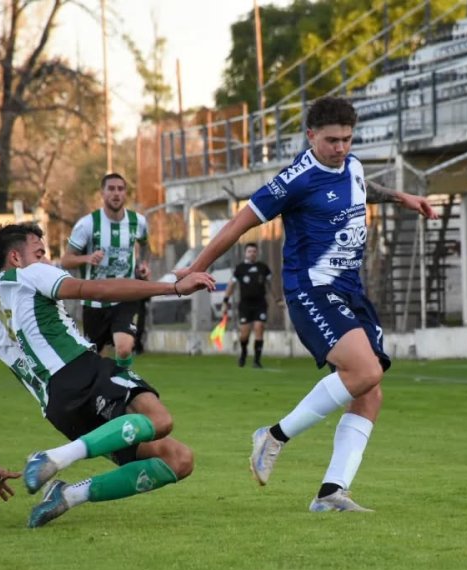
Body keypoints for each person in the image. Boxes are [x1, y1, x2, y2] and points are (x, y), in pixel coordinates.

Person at [175, 96, 438, 512]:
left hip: (351, 291)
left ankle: (332, 493)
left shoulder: (351, 164)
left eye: (347, 139)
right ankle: (274, 436)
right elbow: (237, 225)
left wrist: (402, 197)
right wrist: (195, 268)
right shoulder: (293, 180)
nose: (341, 148)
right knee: (365, 370)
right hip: (312, 290)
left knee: (370, 392)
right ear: (310, 135)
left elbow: (359, 188)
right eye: (331, 140)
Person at [0, 223, 215, 527]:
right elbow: (95, 289)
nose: (44, 259)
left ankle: (67, 495)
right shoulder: (30, 273)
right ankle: (54, 458)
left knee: (178, 460)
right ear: (15, 257)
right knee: (160, 420)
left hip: (59, 410)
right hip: (81, 370)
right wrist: (172, 288)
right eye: (39, 251)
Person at [62, 173, 150, 371]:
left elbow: (145, 245)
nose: (116, 193)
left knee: (124, 347)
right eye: (111, 189)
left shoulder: (139, 222)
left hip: (126, 294)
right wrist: (87, 258)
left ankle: (124, 385)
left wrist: (143, 264)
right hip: (95, 298)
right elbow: (66, 260)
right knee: (96, 360)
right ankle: (104, 391)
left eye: (120, 189)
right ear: (102, 193)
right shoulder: (87, 224)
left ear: (125, 193)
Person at [223, 242, 283, 368]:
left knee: (259, 328)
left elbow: (271, 284)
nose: (252, 254)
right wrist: (225, 300)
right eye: (249, 251)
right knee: (244, 333)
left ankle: (257, 360)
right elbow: (231, 285)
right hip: (245, 305)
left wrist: (278, 299)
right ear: (245, 253)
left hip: (260, 304)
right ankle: (244, 351)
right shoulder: (240, 268)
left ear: (257, 253)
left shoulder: (263, 267)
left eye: (254, 251)